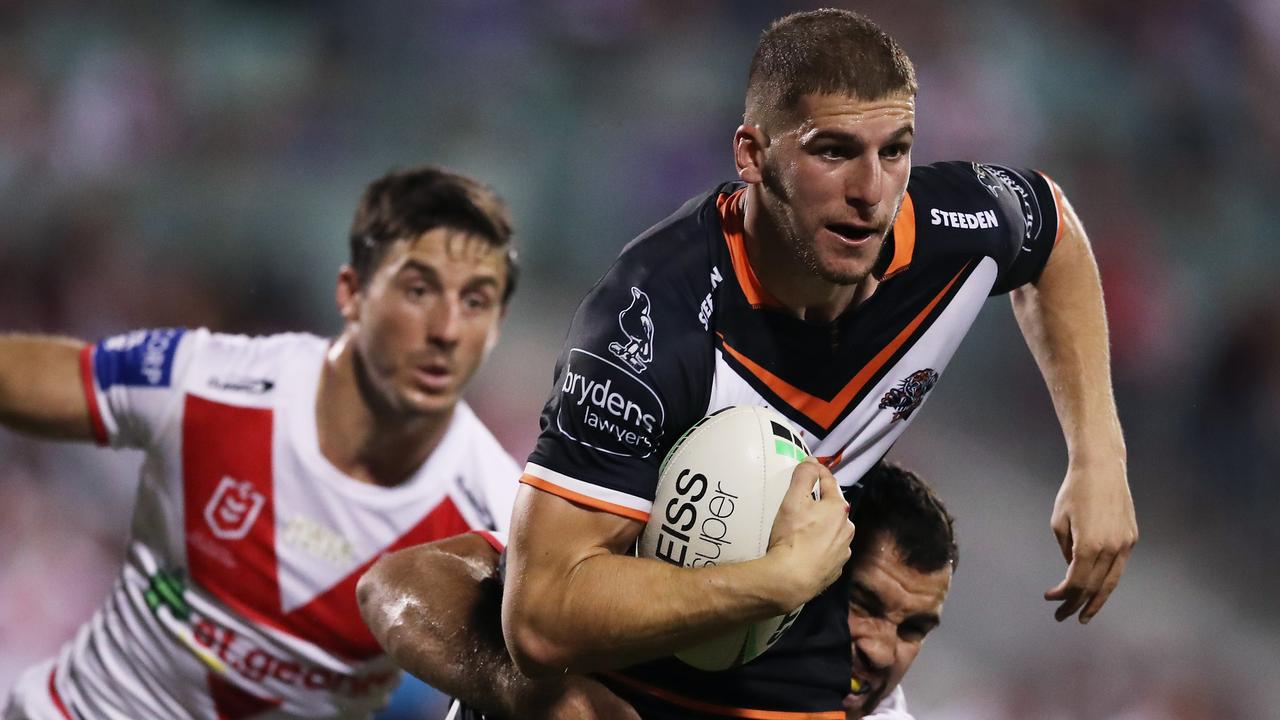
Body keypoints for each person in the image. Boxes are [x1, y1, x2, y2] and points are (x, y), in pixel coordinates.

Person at [493, 8, 1136, 719]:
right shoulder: (649, 321)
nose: (871, 191)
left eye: (896, 151)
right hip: (630, 688)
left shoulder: (948, 230)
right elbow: (539, 622)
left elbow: (1051, 228)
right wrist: (773, 581)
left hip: (800, 679)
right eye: (833, 151)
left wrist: (1098, 458)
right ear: (752, 154)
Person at [0, 166, 524, 719]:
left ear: (498, 322)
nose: (446, 329)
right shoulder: (211, 383)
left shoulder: (497, 508)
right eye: (419, 290)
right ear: (351, 292)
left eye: (476, 301)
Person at [358, 460, 957, 720]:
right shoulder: (663, 600)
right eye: (864, 605)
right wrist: (542, 699)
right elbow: (395, 585)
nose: (882, 651)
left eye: (912, 630)